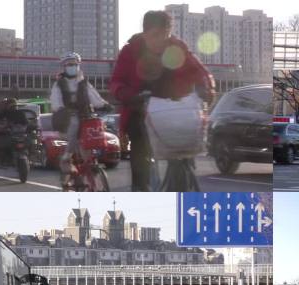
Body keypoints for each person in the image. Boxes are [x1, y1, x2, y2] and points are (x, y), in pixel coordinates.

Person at [110, 10, 215, 191]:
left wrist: (206, 88)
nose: (160, 41)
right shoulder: (130, 51)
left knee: (185, 145)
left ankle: (184, 178)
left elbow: (199, 71)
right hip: (140, 109)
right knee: (140, 153)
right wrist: (127, 95)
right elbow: (116, 82)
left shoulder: (176, 47)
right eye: (154, 36)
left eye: (165, 35)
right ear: (145, 34)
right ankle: (140, 189)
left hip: (173, 108)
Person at [50, 52, 111, 175]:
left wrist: (104, 104)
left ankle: (89, 165)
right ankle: (66, 158)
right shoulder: (59, 84)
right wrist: (61, 109)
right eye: (69, 64)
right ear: (64, 67)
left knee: (94, 128)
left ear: (78, 65)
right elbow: (55, 101)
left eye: (74, 64)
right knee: (74, 125)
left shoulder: (84, 82)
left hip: (85, 115)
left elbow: (94, 97)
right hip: (67, 117)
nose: (72, 66)